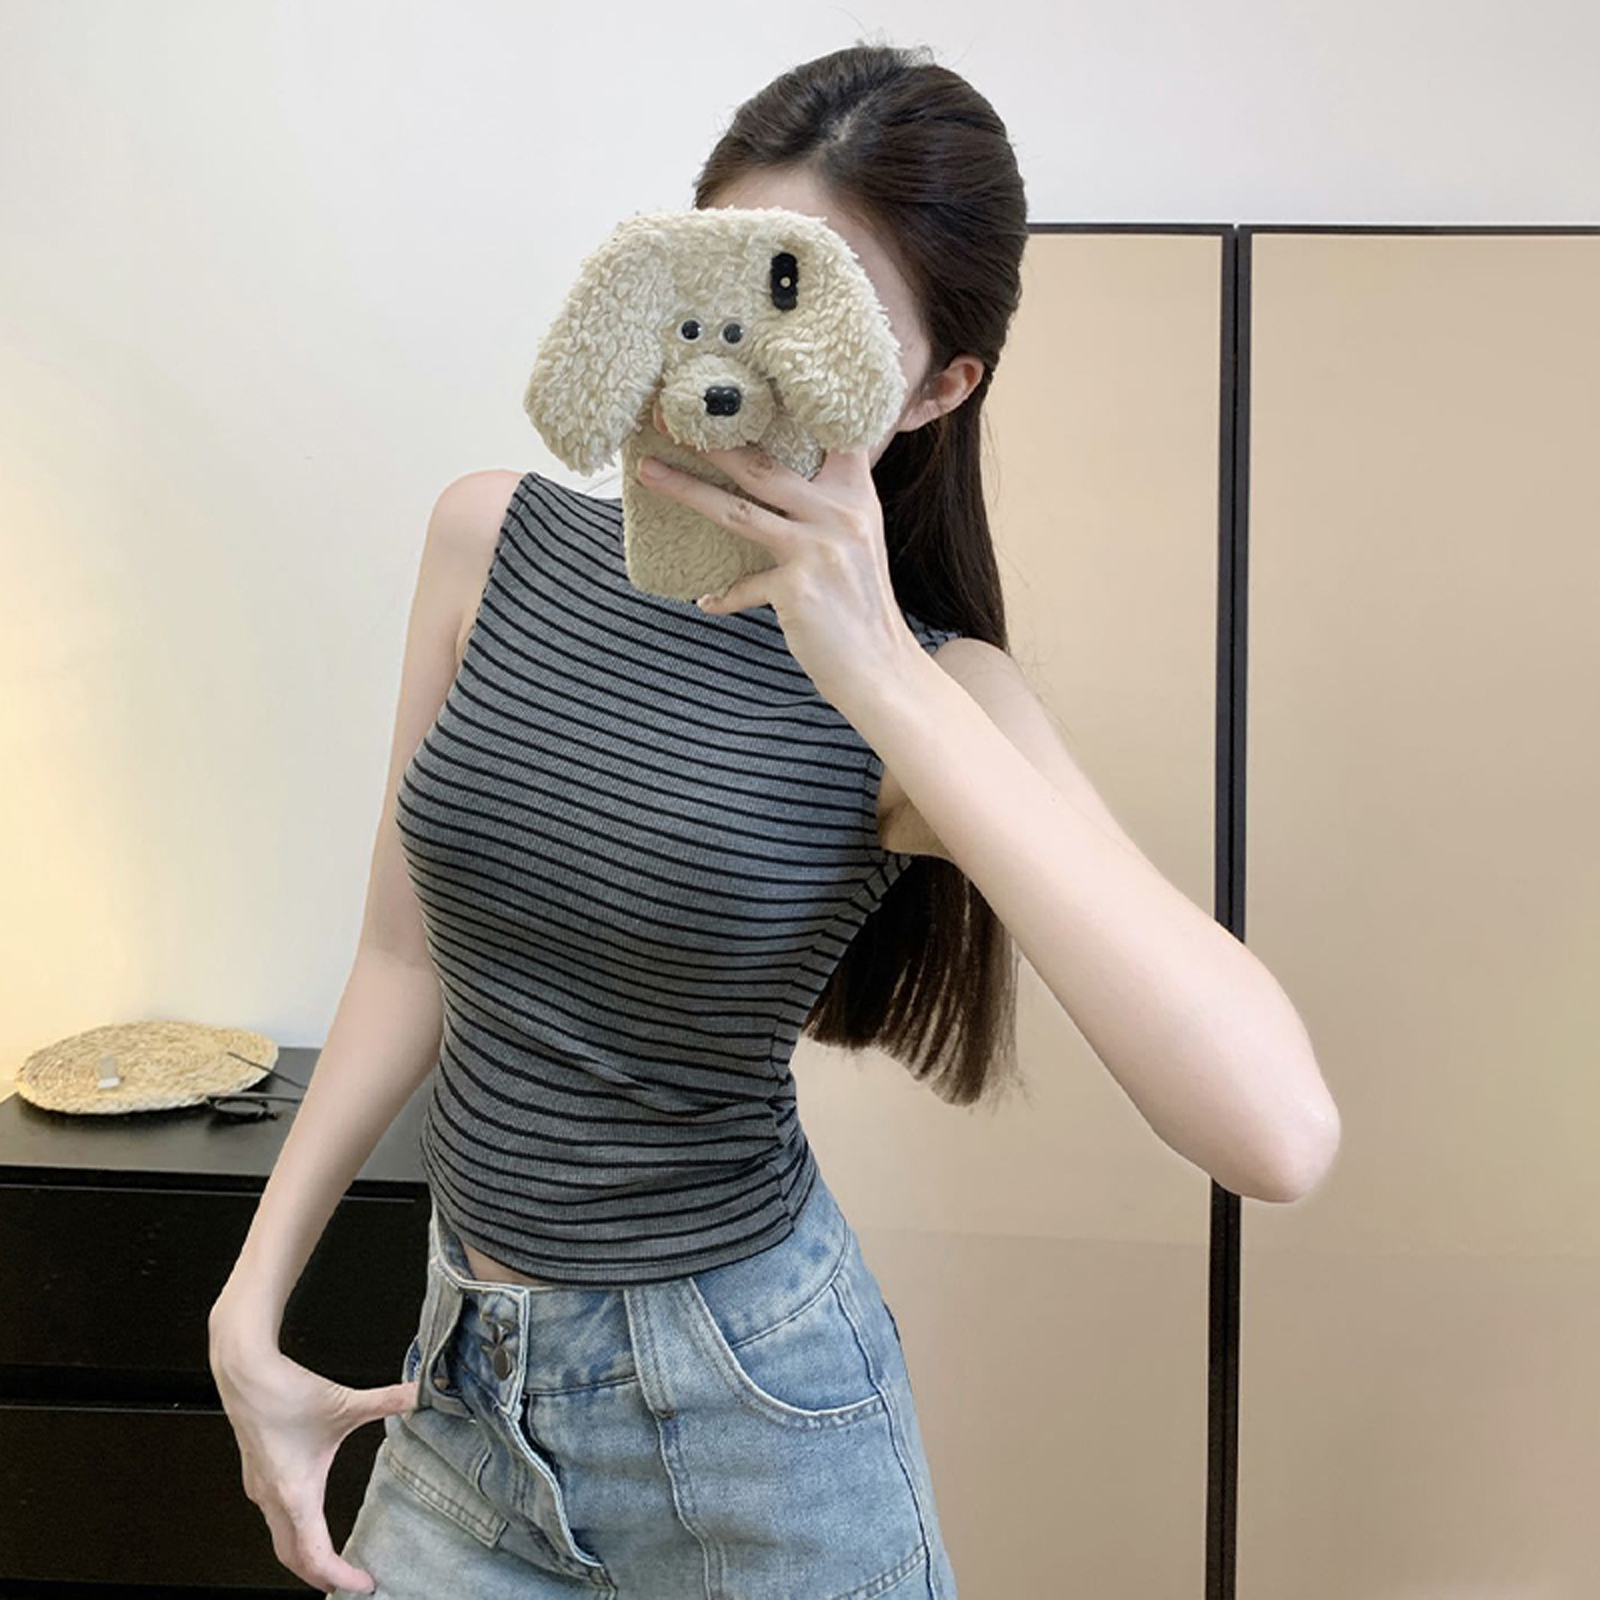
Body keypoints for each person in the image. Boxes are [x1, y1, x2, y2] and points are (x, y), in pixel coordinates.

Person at [210, 36, 1329, 1600]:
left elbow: (1275, 1132)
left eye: (825, 316)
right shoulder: (489, 542)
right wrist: (248, 1305)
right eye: (730, 278)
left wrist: (877, 674)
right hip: (463, 1393)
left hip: (752, 1428)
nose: (744, 365)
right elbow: (406, 962)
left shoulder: (943, 696)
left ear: (936, 387)